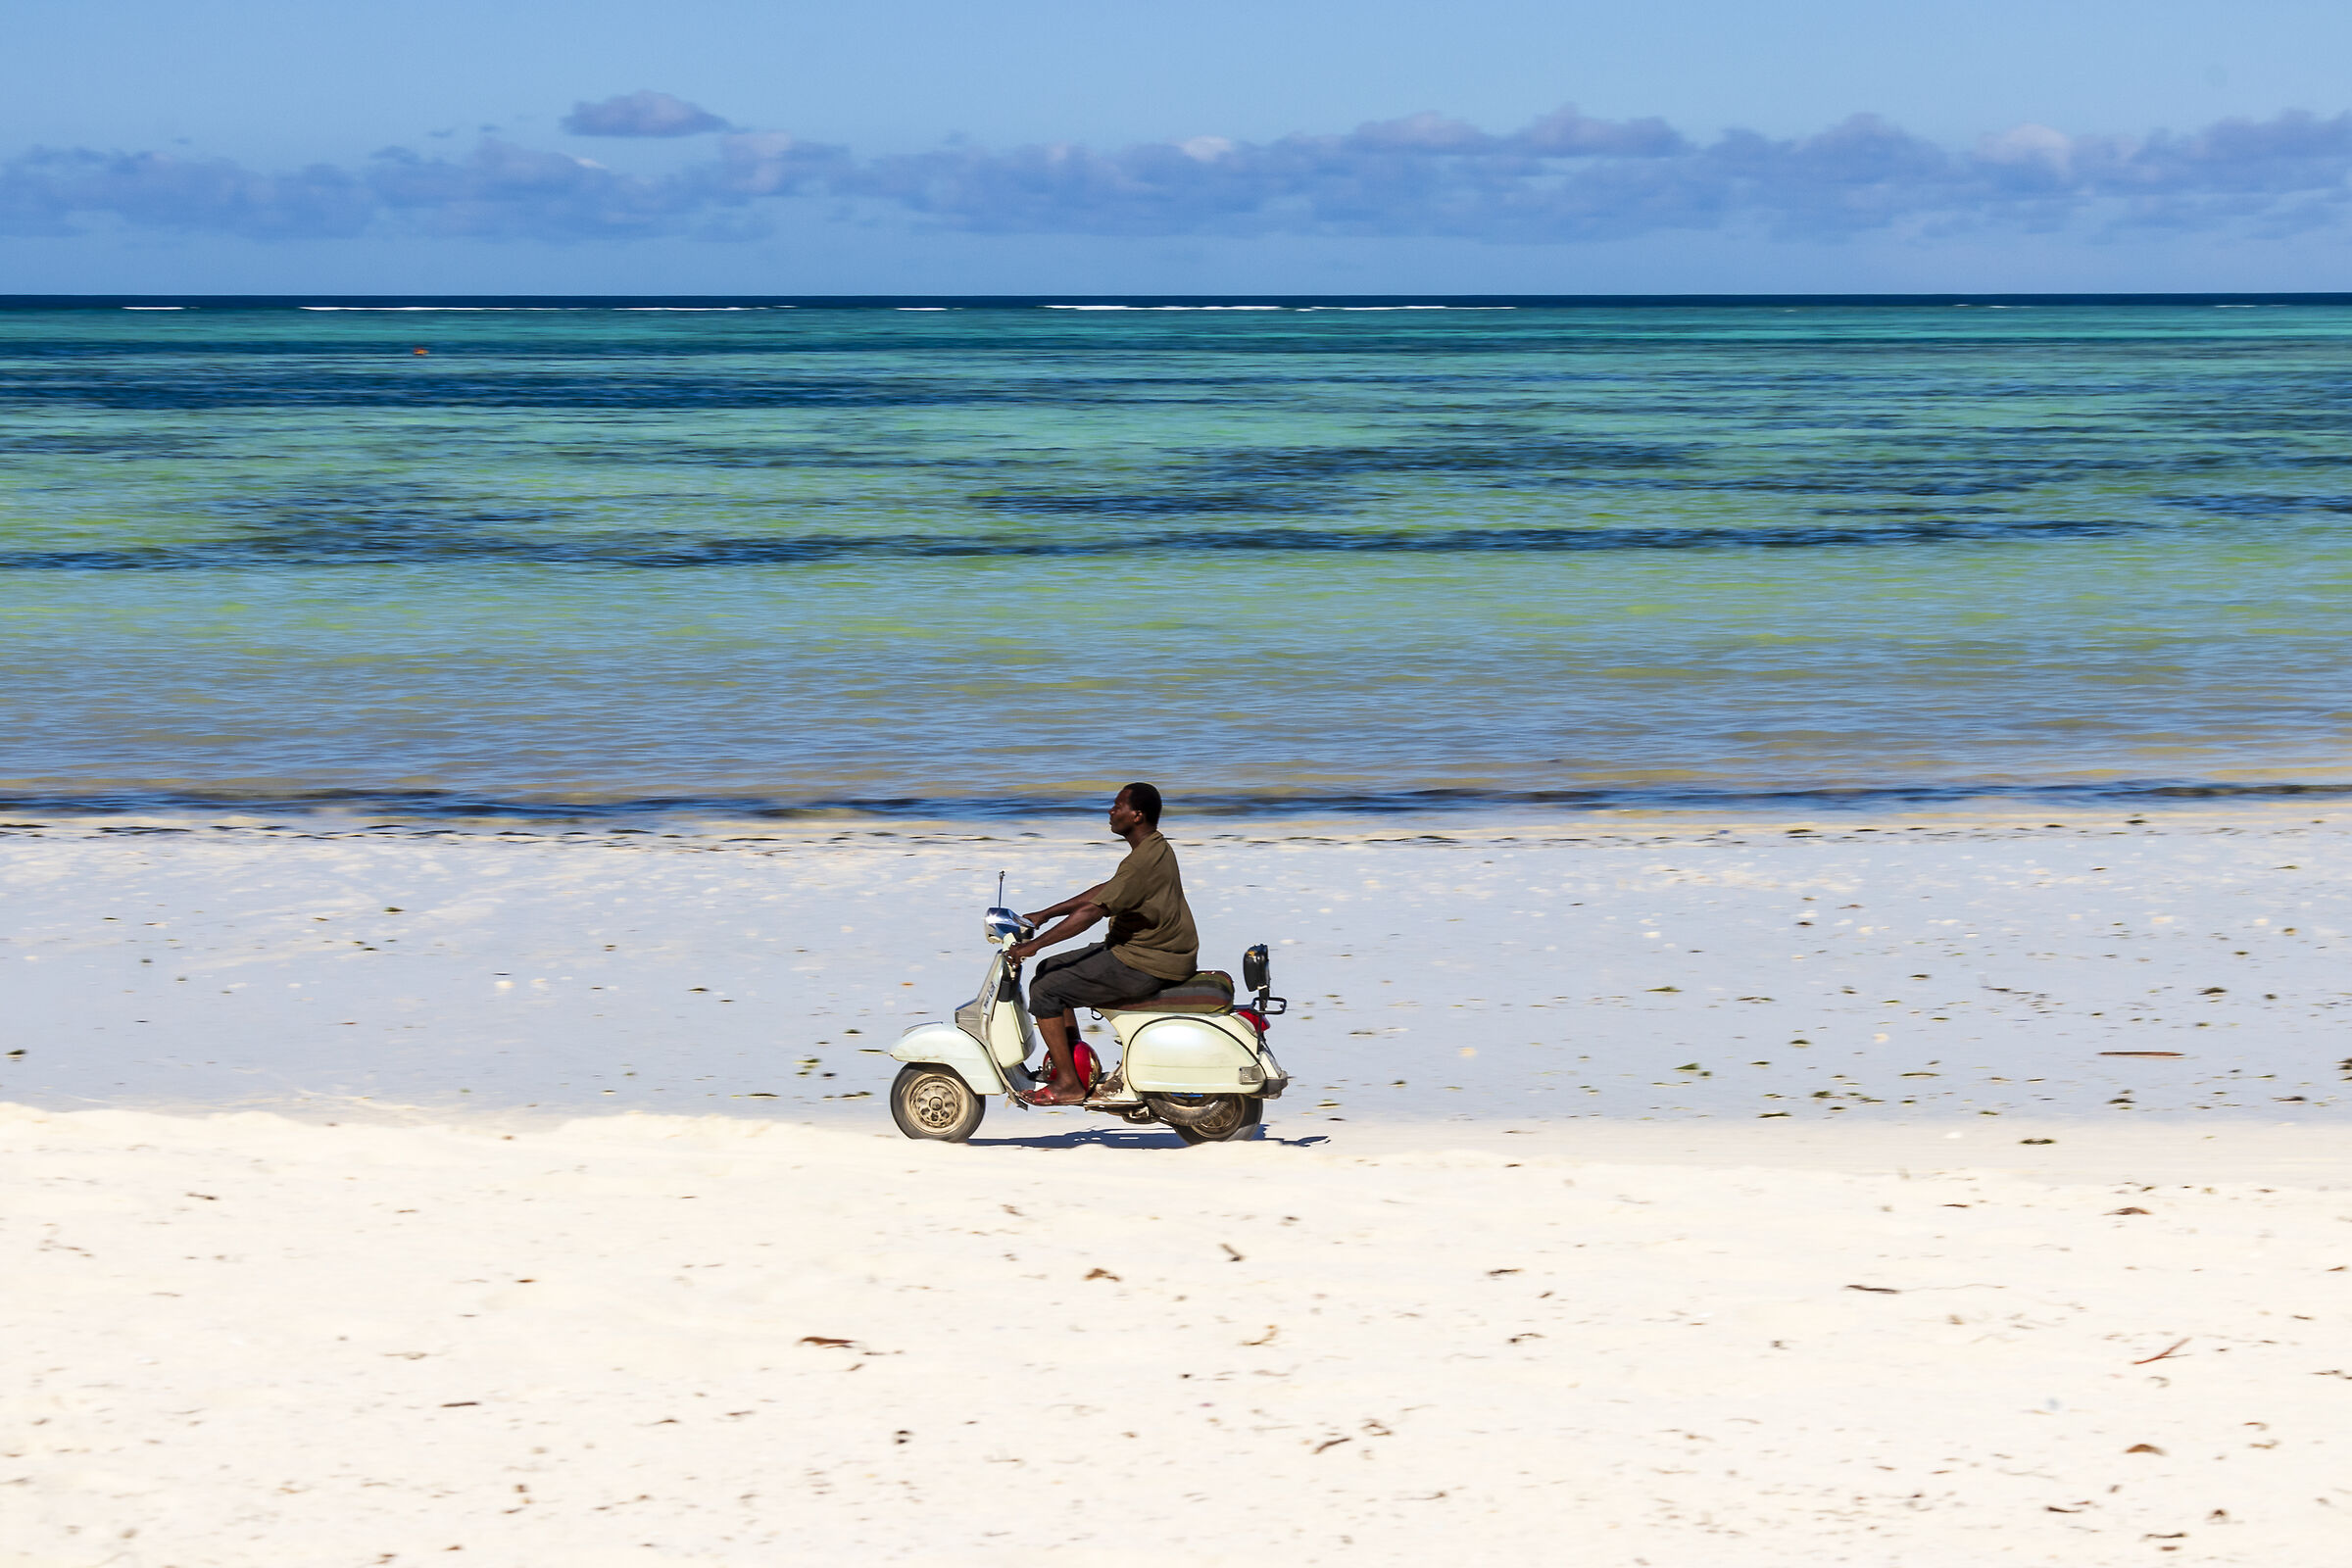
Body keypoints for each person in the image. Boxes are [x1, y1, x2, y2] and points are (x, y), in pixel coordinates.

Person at [1005, 782, 1199, 1104]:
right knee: (1050, 969)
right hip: (1152, 952)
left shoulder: (1141, 862)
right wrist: (1046, 914)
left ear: (1137, 816)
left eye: (1118, 806)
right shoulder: (1154, 848)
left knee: (1045, 989)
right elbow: (1105, 891)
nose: (1111, 811)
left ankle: (1069, 1084)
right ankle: (1074, 1066)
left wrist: (1032, 945)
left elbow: (1093, 911)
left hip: (1145, 962)